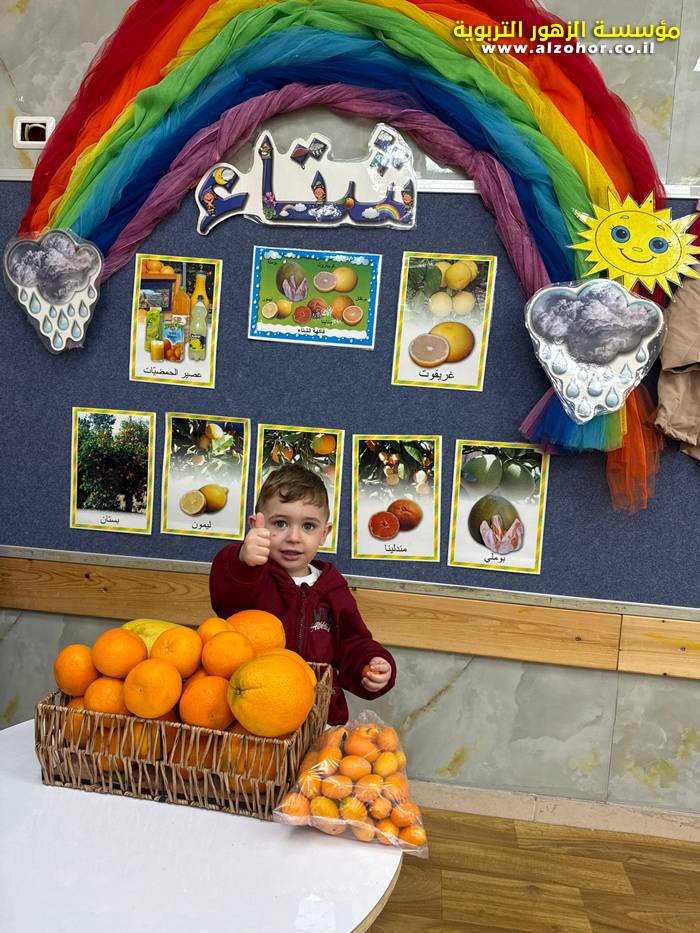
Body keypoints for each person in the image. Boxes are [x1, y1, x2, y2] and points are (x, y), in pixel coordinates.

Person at [209, 464, 396, 724]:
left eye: (308, 526)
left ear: (324, 534)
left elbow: (353, 643)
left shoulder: (333, 589)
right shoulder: (252, 578)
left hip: (321, 721)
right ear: (256, 526)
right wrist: (243, 561)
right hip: (254, 717)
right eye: (280, 523)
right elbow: (226, 602)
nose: (294, 537)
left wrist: (373, 663)